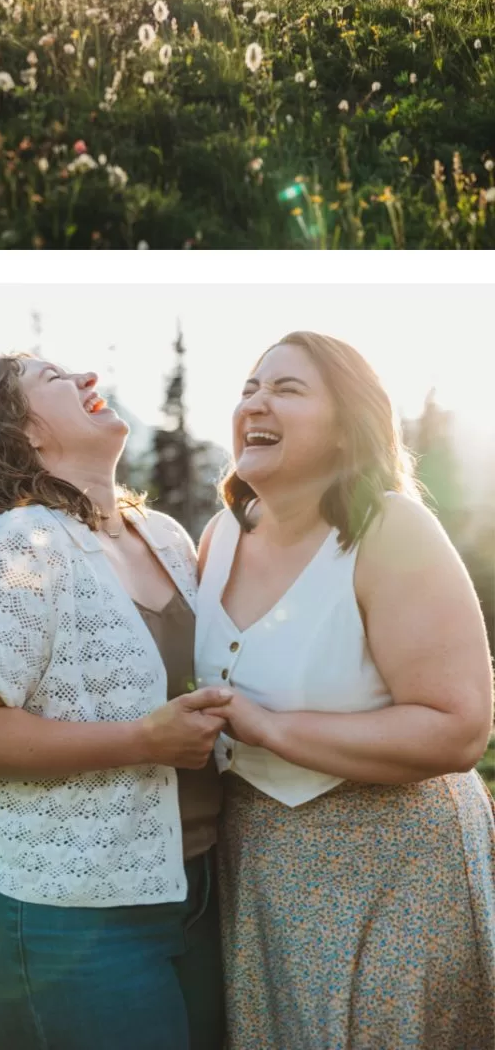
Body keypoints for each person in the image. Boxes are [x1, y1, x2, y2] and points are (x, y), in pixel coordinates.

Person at [196, 331, 495, 1048]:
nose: (255, 401)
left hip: (394, 867)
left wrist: (269, 728)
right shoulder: (219, 536)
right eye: (248, 388)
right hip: (261, 867)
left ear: (346, 426)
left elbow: (459, 728)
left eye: (287, 389)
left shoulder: (389, 528)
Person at [0, 354, 229, 1050]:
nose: (89, 377)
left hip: (202, 888)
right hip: (73, 918)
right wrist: (141, 743)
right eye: (58, 379)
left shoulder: (169, 539)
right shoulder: (15, 546)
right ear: (25, 429)